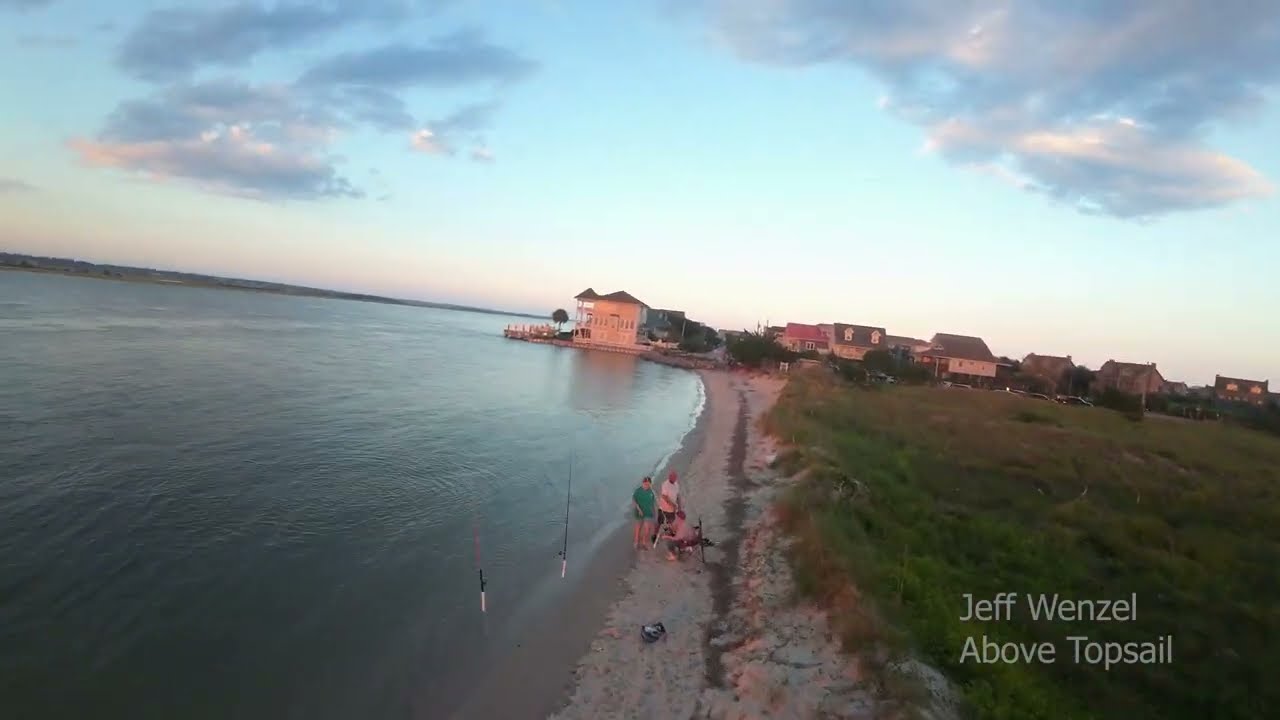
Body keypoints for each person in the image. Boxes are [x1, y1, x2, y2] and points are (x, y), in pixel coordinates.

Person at [632, 476, 656, 550]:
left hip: (648, 513)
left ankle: (644, 542)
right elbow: (634, 501)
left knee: (647, 528)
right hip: (639, 512)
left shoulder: (651, 492)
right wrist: (639, 509)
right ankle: (636, 542)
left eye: (649, 484)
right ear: (643, 483)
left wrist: (654, 512)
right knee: (638, 528)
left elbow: (652, 503)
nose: (647, 486)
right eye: (646, 484)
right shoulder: (638, 491)